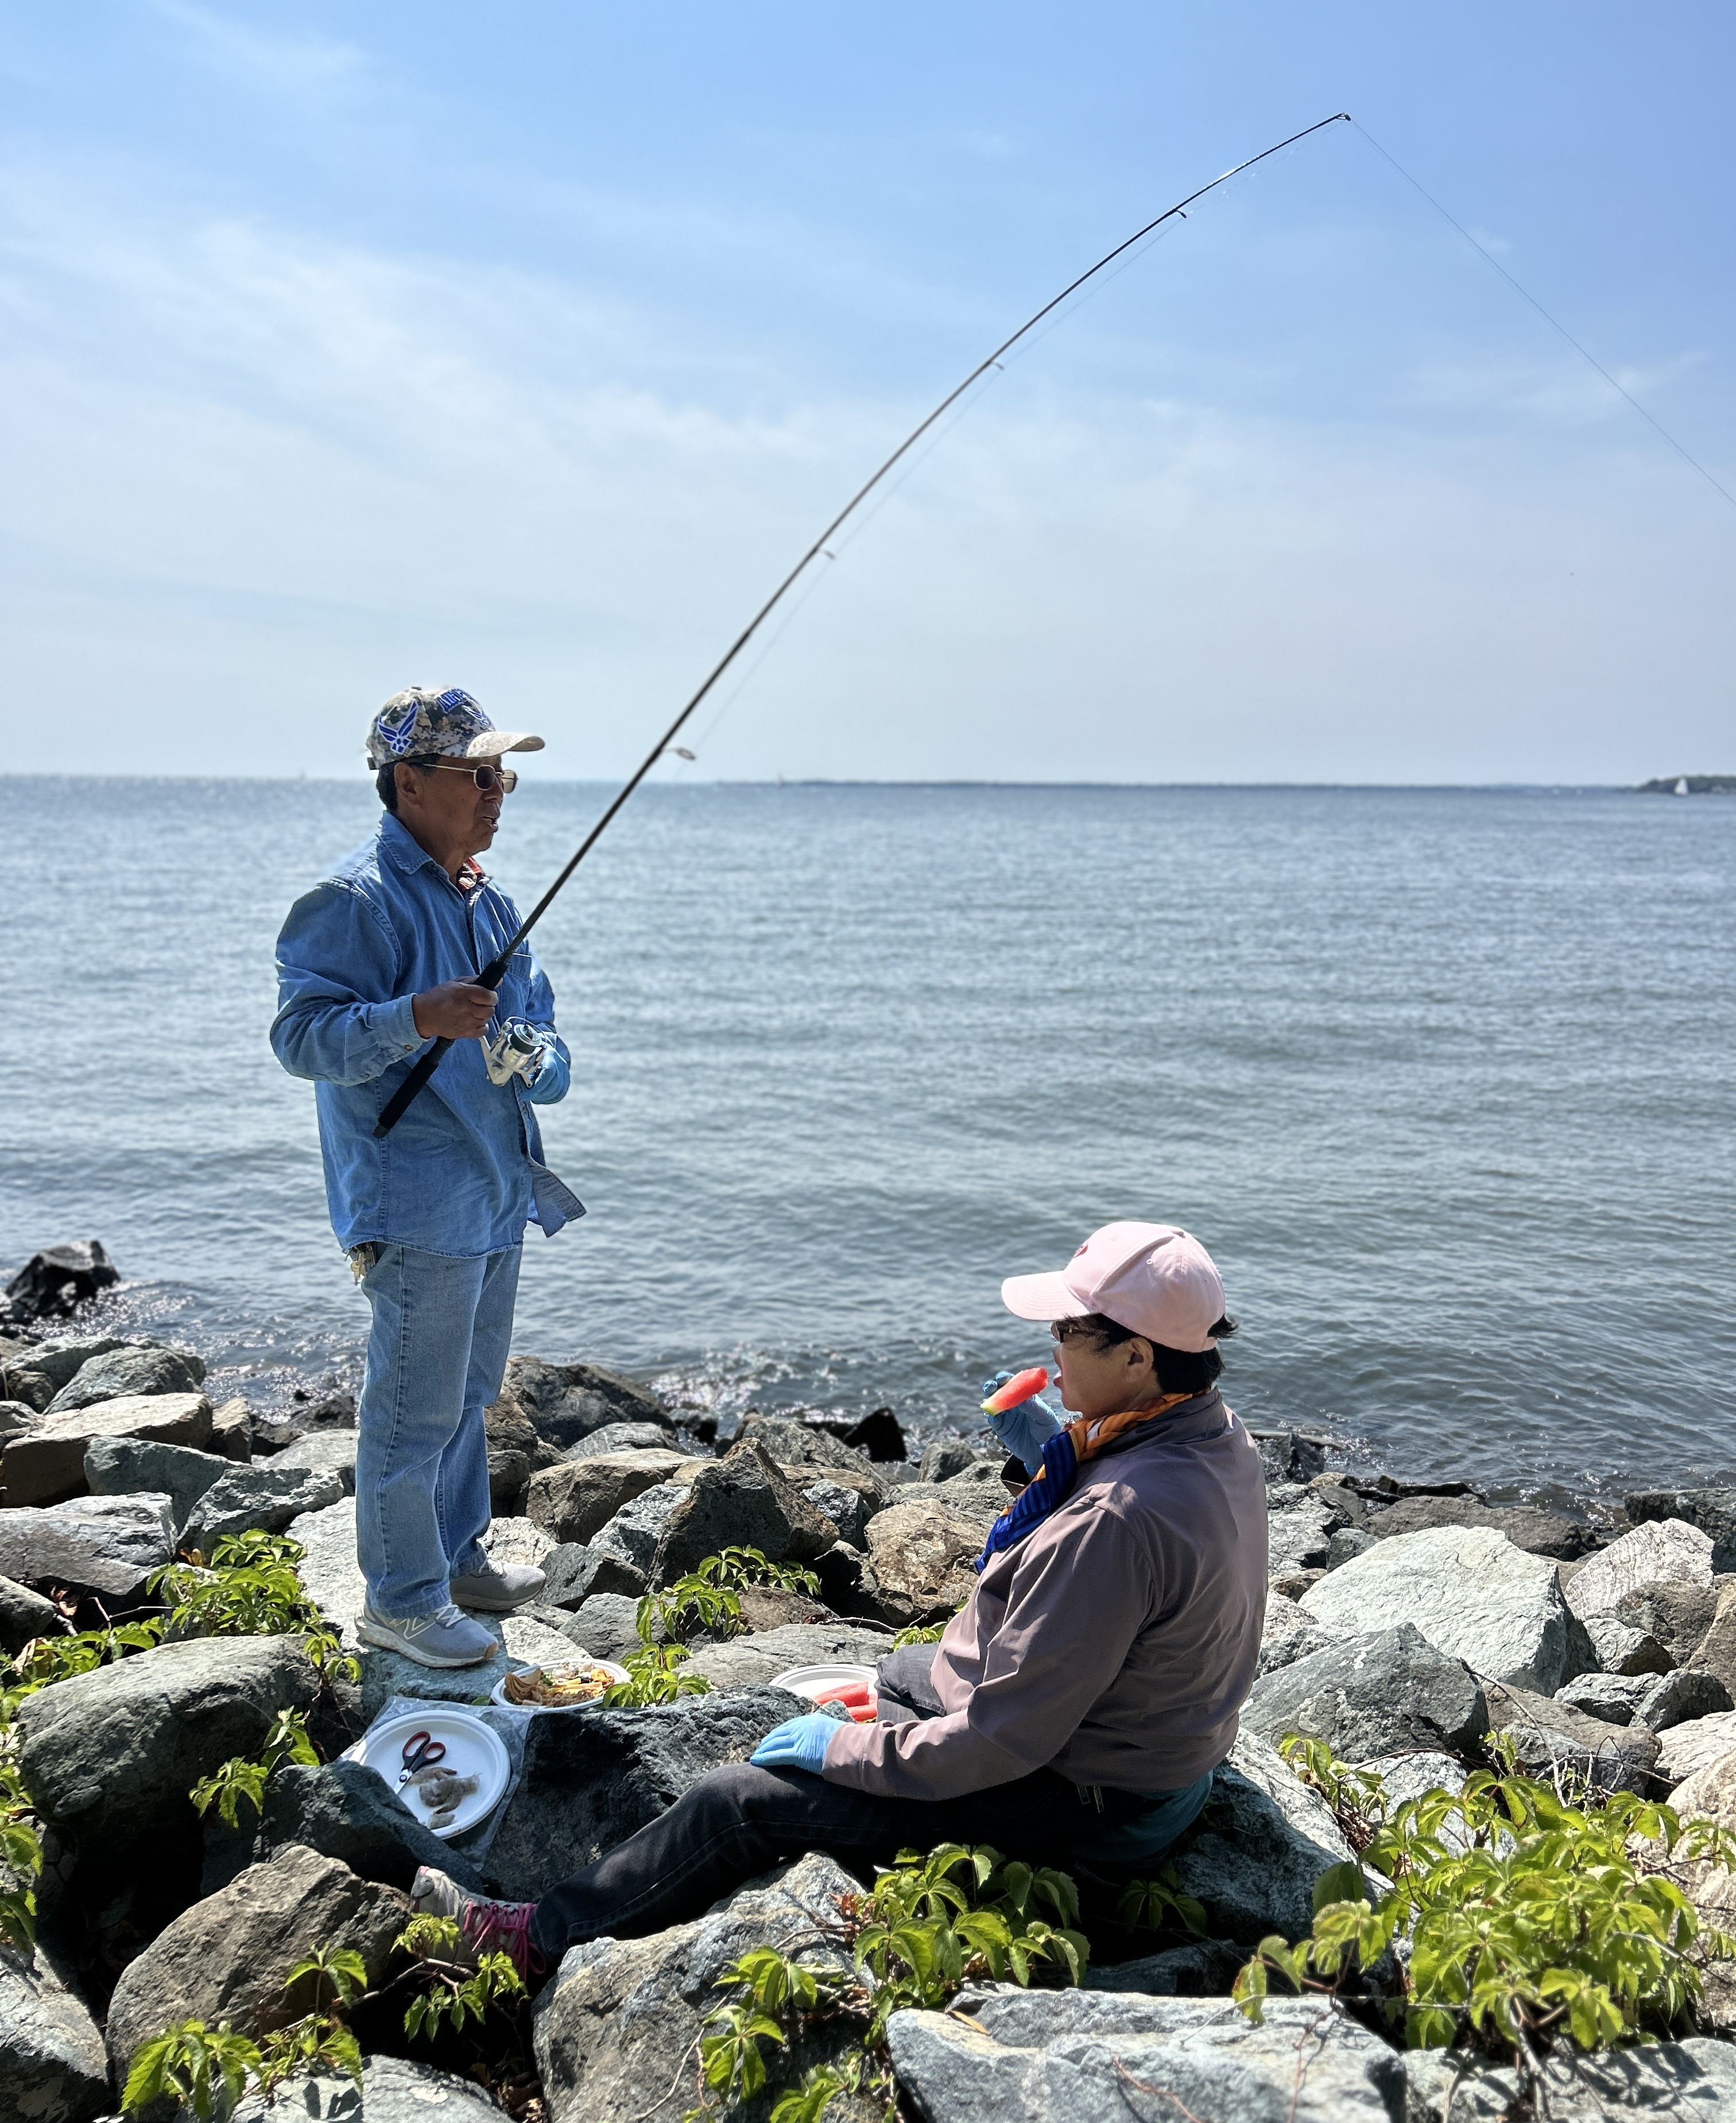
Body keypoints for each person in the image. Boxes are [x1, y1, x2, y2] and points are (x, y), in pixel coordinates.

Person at [413, 1220, 1269, 1972]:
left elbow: (1002, 1741)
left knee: (736, 1802)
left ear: (1137, 1356)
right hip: (1153, 1751)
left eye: (1070, 1332)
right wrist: (1060, 1460)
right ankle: (883, 1784)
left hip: (1091, 1803)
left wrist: (845, 1753)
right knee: (901, 1671)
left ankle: (533, 1939)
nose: (1052, 1346)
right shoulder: (1215, 1436)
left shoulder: (1114, 1519)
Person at [271, 685, 583, 1669]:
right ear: (408, 782)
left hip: (496, 1188)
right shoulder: (352, 901)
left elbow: (552, 1049)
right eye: (476, 774)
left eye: (503, 775)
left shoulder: (490, 900)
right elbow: (300, 1039)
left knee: (468, 1393)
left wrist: (527, 1055)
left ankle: (456, 1560)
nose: (498, 792)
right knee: (413, 1407)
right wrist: (415, 1016)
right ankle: (401, 1604)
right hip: (412, 1199)